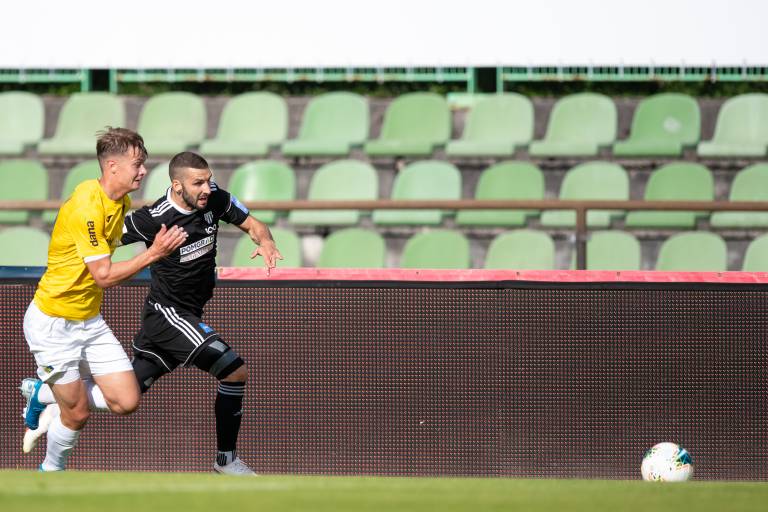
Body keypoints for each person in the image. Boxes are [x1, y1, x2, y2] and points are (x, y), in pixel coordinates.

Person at [23, 151, 281, 476]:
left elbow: (253, 224)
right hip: (168, 315)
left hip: (184, 315)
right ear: (177, 185)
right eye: (198, 183)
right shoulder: (152, 218)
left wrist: (266, 241)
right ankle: (226, 461)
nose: (206, 188)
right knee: (234, 370)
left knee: (125, 399)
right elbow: (103, 240)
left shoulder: (215, 199)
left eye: (208, 180)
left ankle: (45, 393)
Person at [20, 127, 188, 472]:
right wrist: (154, 253)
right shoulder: (87, 206)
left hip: (88, 320)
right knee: (77, 413)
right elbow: (104, 276)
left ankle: (42, 392)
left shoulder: (119, 201)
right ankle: (51, 471)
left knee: (127, 401)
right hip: (52, 323)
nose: (143, 171)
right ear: (113, 166)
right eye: (137, 164)